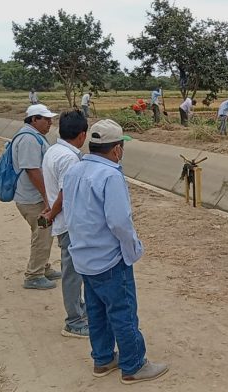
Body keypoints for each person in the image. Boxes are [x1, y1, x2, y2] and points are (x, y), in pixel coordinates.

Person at [62, 119, 169, 385]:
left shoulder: (76, 171)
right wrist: (133, 250)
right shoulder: (110, 175)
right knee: (122, 312)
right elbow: (120, 222)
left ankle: (102, 359)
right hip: (109, 259)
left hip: (84, 256)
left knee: (97, 312)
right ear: (117, 149)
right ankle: (133, 365)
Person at [41, 110, 90, 338]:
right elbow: (65, 192)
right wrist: (52, 213)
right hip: (69, 223)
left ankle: (80, 311)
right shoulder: (70, 158)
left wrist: (50, 209)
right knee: (73, 273)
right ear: (81, 135)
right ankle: (74, 321)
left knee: (75, 271)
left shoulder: (54, 150)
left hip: (63, 220)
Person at [12, 104, 61, 290]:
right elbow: (33, 171)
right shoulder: (29, 140)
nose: (50, 122)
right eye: (45, 119)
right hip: (32, 199)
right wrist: (47, 198)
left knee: (44, 234)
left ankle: (43, 267)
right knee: (43, 233)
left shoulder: (31, 136)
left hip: (32, 197)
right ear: (34, 119)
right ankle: (34, 275)